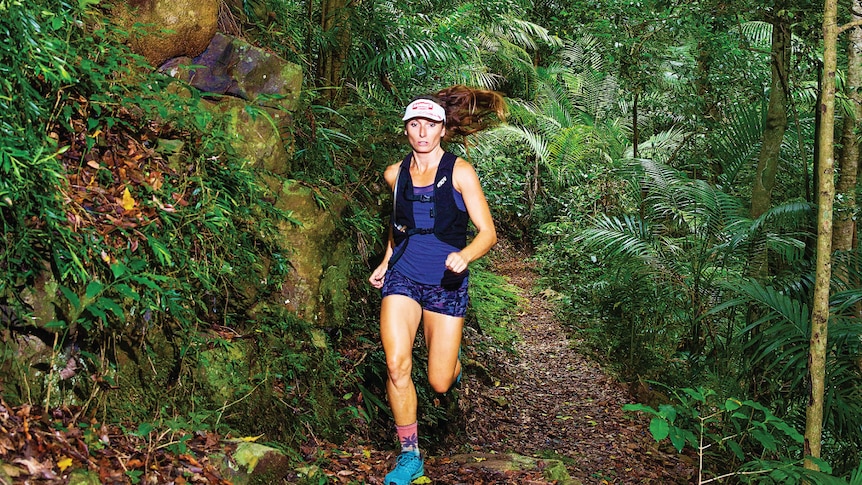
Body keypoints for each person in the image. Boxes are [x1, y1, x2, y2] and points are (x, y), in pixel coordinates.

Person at [368, 85, 506, 485]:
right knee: (396, 366)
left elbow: (488, 232)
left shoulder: (460, 171)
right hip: (404, 278)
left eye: (430, 124)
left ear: (443, 129)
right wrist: (385, 261)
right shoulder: (395, 174)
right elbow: (398, 229)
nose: (423, 132)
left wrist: (466, 254)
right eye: (415, 125)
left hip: (446, 282)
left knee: (439, 381)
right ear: (406, 131)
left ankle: (455, 365)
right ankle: (410, 455)